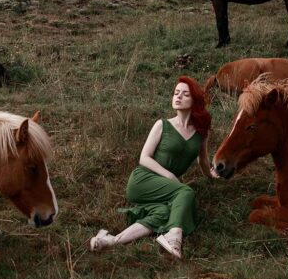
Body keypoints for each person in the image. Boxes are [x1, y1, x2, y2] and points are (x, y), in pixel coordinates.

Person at [89, 76, 218, 258]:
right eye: (176, 93)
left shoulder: (201, 133)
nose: (178, 97)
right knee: (186, 192)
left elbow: (203, 160)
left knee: (164, 212)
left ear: (195, 100)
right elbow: (144, 158)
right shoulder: (162, 125)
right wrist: (169, 176)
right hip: (144, 180)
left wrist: (212, 177)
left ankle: (111, 241)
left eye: (185, 94)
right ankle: (174, 236)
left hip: (166, 189)